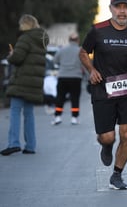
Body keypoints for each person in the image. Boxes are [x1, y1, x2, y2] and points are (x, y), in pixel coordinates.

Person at [79, 0, 127, 190]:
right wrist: (91, 70)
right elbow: (83, 52)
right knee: (108, 136)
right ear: (110, 8)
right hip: (102, 89)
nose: (121, 11)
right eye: (117, 7)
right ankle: (106, 145)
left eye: (125, 7)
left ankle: (117, 174)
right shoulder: (98, 30)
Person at [1, 14, 49, 156]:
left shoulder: (25, 38)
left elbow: (17, 58)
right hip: (34, 83)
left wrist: (11, 55)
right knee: (29, 114)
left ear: (25, 24)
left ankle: (14, 143)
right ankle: (30, 146)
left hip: (22, 81)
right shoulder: (42, 39)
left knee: (15, 111)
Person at [51, 33, 83, 125]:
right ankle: (74, 118)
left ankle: (57, 117)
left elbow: (55, 61)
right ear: (78, 40)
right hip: (76, 77)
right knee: (75, 98)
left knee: (60, 97)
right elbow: (85, 65)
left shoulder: (62, 50)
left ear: (69, 40)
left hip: (63, 77)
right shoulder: (80, 51)